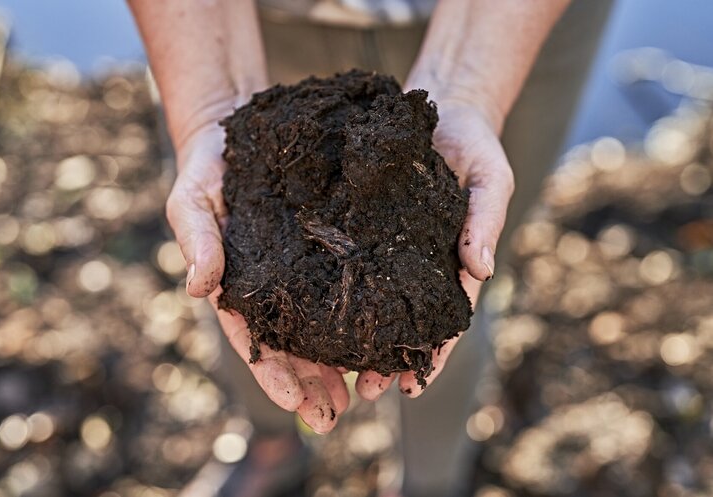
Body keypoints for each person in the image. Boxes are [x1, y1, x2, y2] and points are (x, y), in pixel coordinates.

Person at [127, 1, 613, 496]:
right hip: (236, 20)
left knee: (467, 275)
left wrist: (470, 84)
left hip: (505, 24)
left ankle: (431, 481)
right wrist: (208, 105)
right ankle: (270, 443)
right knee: (223, 268)